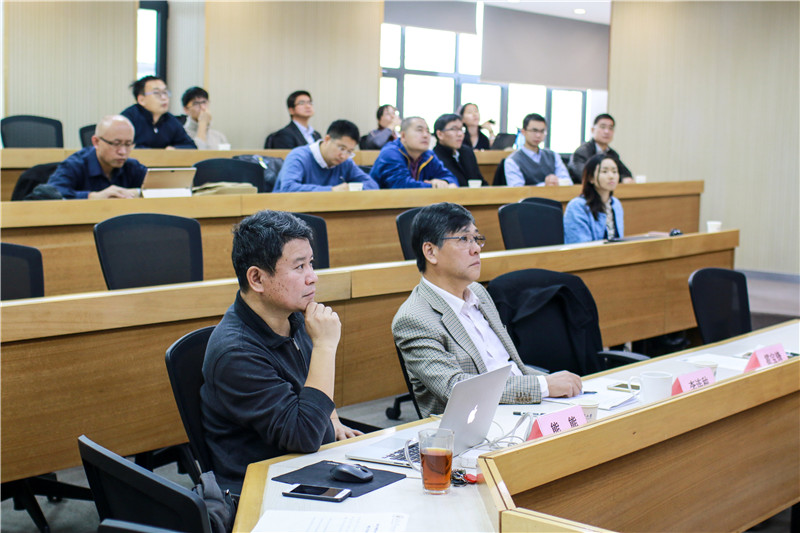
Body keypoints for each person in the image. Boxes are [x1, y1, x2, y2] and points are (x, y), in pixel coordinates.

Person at [200, 210, 362, 493]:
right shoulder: (236, 353)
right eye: (299, 267)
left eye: (311, 263)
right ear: (257, 279)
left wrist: (333, 419)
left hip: (308, 463)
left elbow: (308, 383)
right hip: (263, 487)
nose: (313, 277)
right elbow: (303, 437)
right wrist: (325, 347)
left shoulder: (295, 317)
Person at [392, 202, 583, 417]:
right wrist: (543, 386)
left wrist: (554, 383)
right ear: (430, 252)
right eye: (464, 239)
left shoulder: (478, 292)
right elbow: (457, 388)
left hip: (521, 409)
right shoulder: (414, 318)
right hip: (474, 425)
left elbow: (511, 367)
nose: (476, 249)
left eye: (476, 238)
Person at [47, 115, 147, 199]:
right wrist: (93, 196)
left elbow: (154, 188)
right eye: (116, 144)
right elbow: (50, 195)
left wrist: (137, 192)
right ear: (96, 142)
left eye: (128, 144)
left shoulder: (132, 166)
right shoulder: (74, 165)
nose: (123, 152)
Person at [274, 119, 378, 192]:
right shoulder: (298, 156)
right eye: (341, 148)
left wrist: (351, 188)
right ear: (327, 139)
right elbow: (288, 188)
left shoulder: (346, 162)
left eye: (349, 151)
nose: (343, 156)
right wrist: (331, 190)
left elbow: (372, 185)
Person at [370, 117, 458, 189]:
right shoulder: (390, 153)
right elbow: (402, 186)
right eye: (419, 130)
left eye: (428, 131)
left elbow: (451, 178)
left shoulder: (428, 155)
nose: (425, 135)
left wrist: (445, 182)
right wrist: (434, 186)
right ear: (403, 136)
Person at [120, 76, 197, 149]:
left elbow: (191, 146)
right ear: (141, 100)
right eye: (156, 93)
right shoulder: (128, 118)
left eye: (165, 92)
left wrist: (174, 149)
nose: (164, 97)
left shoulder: (170, 120)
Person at [564, 153, 624, 243]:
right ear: (591, 178)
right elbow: (579, 245)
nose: (611, 176)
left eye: (614, 171)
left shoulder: (616, 204)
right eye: (604, 172)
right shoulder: (577, 206)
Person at [504, 113, 571, 187]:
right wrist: (544, 185)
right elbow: (518, 190)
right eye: (534, 131)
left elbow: (568, 182)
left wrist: (556, 182)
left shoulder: (553, 155)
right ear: (523, 132)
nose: (538, 135)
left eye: (542, 131)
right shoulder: (512, 161)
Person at [568, 113, 633, 184]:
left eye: (610, 128)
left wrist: (624, 179)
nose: (607, 131)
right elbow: (585, 176)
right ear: (593, 130)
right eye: (603, 127)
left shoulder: (612, 154)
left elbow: (626, 174)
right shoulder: (583, 151)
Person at [432, 113, 485, 187]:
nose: (460, 134)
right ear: (440, 134)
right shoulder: (434, 158)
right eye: (454, 129)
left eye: (461, 129)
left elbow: (480, 181)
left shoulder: (467, 152)